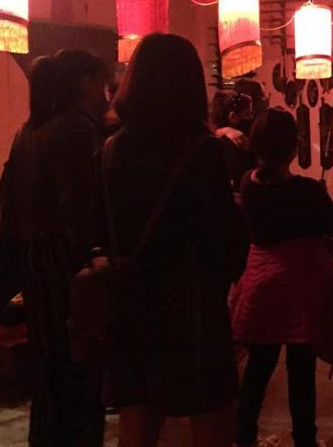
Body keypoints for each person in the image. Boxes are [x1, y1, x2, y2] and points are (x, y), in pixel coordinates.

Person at [100, 34, 249, 446]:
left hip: (130, 304)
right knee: (213, 425)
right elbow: (226, 243)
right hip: (191, 309)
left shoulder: (112, 149)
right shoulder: (201, 150)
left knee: (137, 423)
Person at [0, 50, 110, 446]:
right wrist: (93, 264)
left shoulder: (28, 130)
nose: (106, 94)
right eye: (101, 84)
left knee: (50, 371)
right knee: (80, 369)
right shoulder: (76, 128)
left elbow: (11, 207)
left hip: (34, 263)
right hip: (64, 265)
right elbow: (78, 210)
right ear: (84, 83)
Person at [229, 108, 333, 447]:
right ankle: (305, 440)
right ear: (293, 147)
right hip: (300, 287)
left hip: (262, 285)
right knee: (301, 372)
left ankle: (244, 438)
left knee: (258, 368)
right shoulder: (306, 190)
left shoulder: (247, 183)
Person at [210, 91, 257, 194]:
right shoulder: (237, 141)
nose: (251, 118)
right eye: (247, 114)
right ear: (233, 117)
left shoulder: (215, 139)